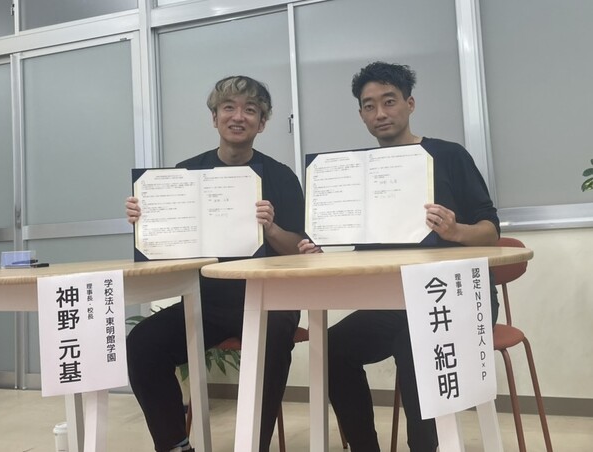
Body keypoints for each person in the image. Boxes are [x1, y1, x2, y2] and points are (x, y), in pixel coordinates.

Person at [298, 61, 500, 452]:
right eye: (369, 106)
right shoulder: (358, 171)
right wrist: (322, 243)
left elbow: (491, 231)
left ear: (410, 104)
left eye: (389, 101)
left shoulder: (448, 155)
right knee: (330, 348)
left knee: (416, 342)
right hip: (393, 302)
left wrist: (456, 231)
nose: (380, 113)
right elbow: (358, 239)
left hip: (454, 298)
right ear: (361, 115)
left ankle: (424, 447)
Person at [126, 76, 305, 452]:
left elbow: (300, 250)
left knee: (272, 339)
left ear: (262, 123)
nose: (238, 116)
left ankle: (253, 446)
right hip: (206, 301)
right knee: (142, 344)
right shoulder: (186, 173)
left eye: (250, 110)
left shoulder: (281, 177)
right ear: (214, 117)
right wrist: (146, 222)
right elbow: (170, 246)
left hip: (270, 299)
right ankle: (176, 445)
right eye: (229, 108)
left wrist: (271, 229)